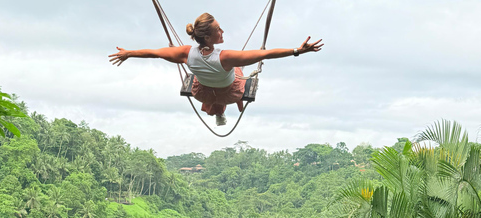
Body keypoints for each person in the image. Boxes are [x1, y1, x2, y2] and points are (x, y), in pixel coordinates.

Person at [109, 13, 323, 126]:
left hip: (201, 93)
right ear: (209, 37)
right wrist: (297, 50)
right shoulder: (226, 57)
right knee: (237, 73)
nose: (222, 31)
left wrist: (129, 53)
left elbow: (154, 53)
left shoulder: (185, 53)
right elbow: (266, 54)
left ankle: (216, 113)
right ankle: (231, 107)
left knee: (211, 87)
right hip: (231, 94)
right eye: (218, 29)